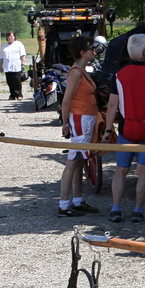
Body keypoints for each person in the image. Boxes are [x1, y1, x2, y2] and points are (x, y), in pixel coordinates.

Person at [107, 32, 145, 223]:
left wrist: (107, 129)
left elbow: (112, 105)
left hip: (127, 128)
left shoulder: (119, 76)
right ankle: (138, 210)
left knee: (121, 170)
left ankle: (115, 208)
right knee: (143, 171)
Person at [57, 36, 99, 216]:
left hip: (86, 117)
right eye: (90, 49)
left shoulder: (82, 70)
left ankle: (77, 200)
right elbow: (66, 101)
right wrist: (65, 123)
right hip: (79, 118)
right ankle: (64, 204)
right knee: (73, 160)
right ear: (82, 52)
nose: (94, 51)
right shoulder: (75, 72)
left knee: (80, 160)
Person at [0, 30, 27, 100]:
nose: (10, 38)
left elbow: (23, 55)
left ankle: (19, 94)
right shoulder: (4, 47)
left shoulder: (19, 44)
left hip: (16, 66)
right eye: (8, 36)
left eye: (11, 36)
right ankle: (12, 95)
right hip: (7, 67)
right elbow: (2, 58)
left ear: (14, 37)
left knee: (17, 81)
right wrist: (1, 67)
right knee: (10, 82)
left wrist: (23, 64)